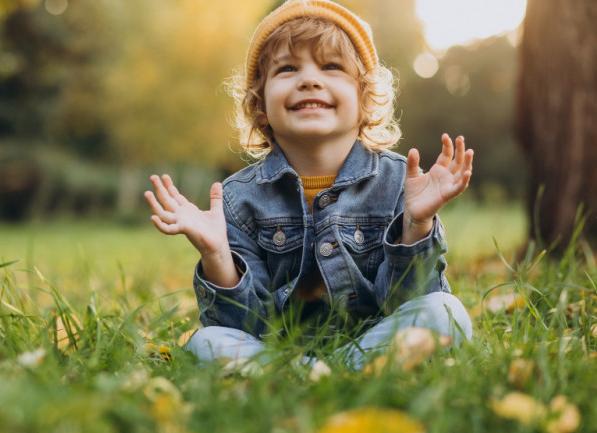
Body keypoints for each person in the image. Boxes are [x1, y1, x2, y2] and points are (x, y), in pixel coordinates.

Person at [144, 0, 474, 370]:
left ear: (365, 99)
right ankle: (310, 374)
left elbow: (406, 303)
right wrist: (218, 257)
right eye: (287, 69)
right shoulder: (238, 200)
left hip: (375, 343)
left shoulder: (400, 183)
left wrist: (416, 227)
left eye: (331, 66)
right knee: (206, 342)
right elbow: (247, 328)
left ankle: (329, 373)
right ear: (261, 105)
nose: (309, 79)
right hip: (280, 356)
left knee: (446, 312)